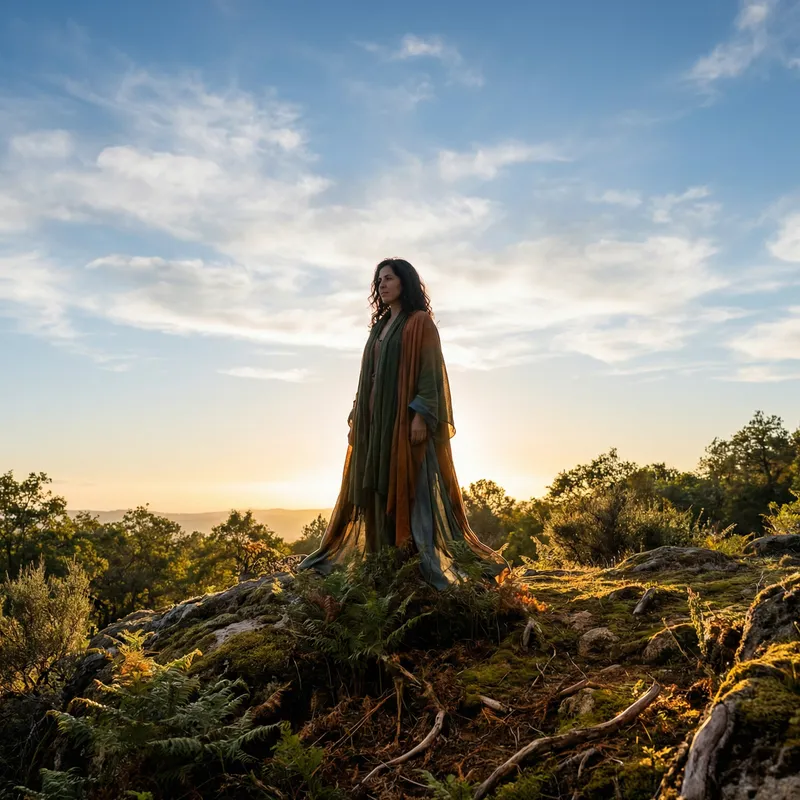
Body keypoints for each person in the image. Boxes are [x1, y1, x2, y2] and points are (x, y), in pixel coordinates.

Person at [298, 258, 508, 588]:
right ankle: (380, 563)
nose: (382, 285)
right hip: (373, 422)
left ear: (404, 283)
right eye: (379, 280)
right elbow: (368, 376)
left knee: (411, 487)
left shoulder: (419, 322)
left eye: (389, 279)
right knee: (374, 487)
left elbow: (429, 371)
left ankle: (412, 562)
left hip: (402, 421)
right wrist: (356, 416)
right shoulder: (380, 327)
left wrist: (421, 414)